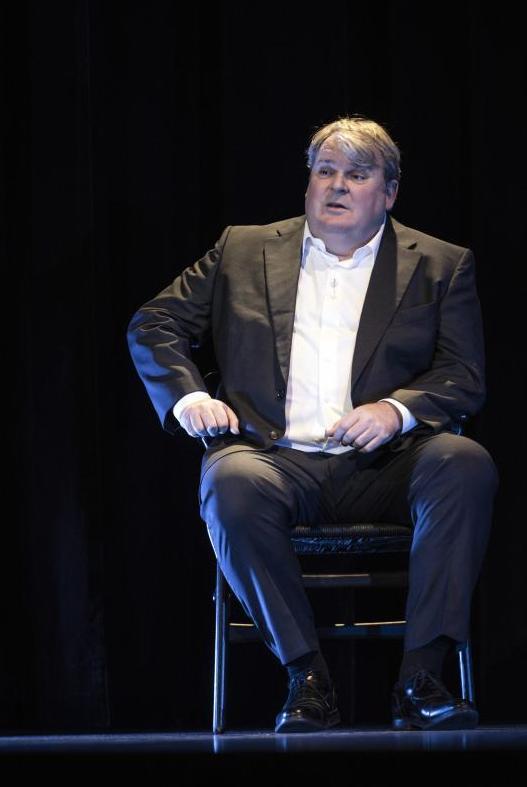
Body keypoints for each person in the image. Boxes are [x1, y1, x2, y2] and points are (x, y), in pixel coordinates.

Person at [127, 116, 498, 733]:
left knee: (464, 464)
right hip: (273, 460)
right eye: (325, 171)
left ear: (389, 192)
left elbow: (464, 374)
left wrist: (396, 409)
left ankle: (421, 677)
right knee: (229, 483)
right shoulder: (243, 249)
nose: (338, 185)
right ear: (308, 184)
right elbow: (154, 323)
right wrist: (187, 398)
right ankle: (307, 677)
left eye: (357, 174)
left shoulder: (440, 263)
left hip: (387, 465)